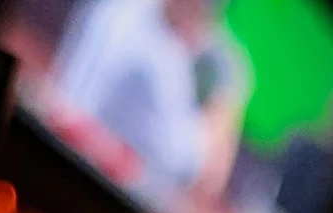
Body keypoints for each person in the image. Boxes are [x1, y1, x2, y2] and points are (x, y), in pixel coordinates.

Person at [51, 0, 250, 201]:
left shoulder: (123, 13)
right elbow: (189, 166)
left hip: (88, 172)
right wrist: (220, 115)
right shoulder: (157, 49)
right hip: (86, 177)